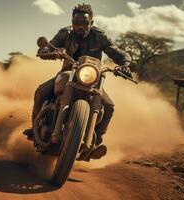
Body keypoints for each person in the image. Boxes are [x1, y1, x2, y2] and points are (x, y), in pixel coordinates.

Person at [24, 3, 132, 159]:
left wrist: (125, 65)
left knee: (109, 106)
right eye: (77, 23)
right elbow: (50, 45)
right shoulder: (65, 33)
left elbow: (119, 53)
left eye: (85, 23)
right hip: (68, 74)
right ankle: (34, 130)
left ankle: (95, 142)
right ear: (72, 23)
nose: (80, 26)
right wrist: (47, 51)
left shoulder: (99, 36)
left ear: (91, 23)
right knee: (41, 92)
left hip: (91, 79)